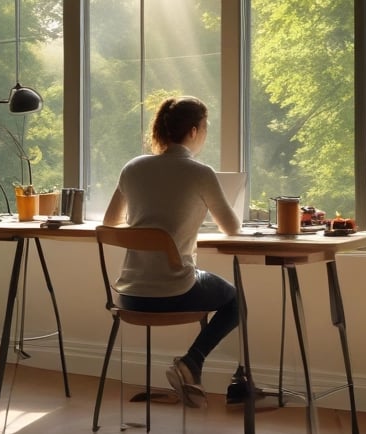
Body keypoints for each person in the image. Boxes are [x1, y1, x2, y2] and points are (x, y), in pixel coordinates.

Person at [102, 95, 241, 408]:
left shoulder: (132, 168)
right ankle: (192, 362)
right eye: (205, 128)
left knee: (205, 282)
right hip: (175, 292)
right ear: (193, 131)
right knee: (237, 300)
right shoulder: (200, 172)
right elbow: (232, 228)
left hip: (129, 295)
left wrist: (148, 224)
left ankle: (192, 372)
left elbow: (110, 223)